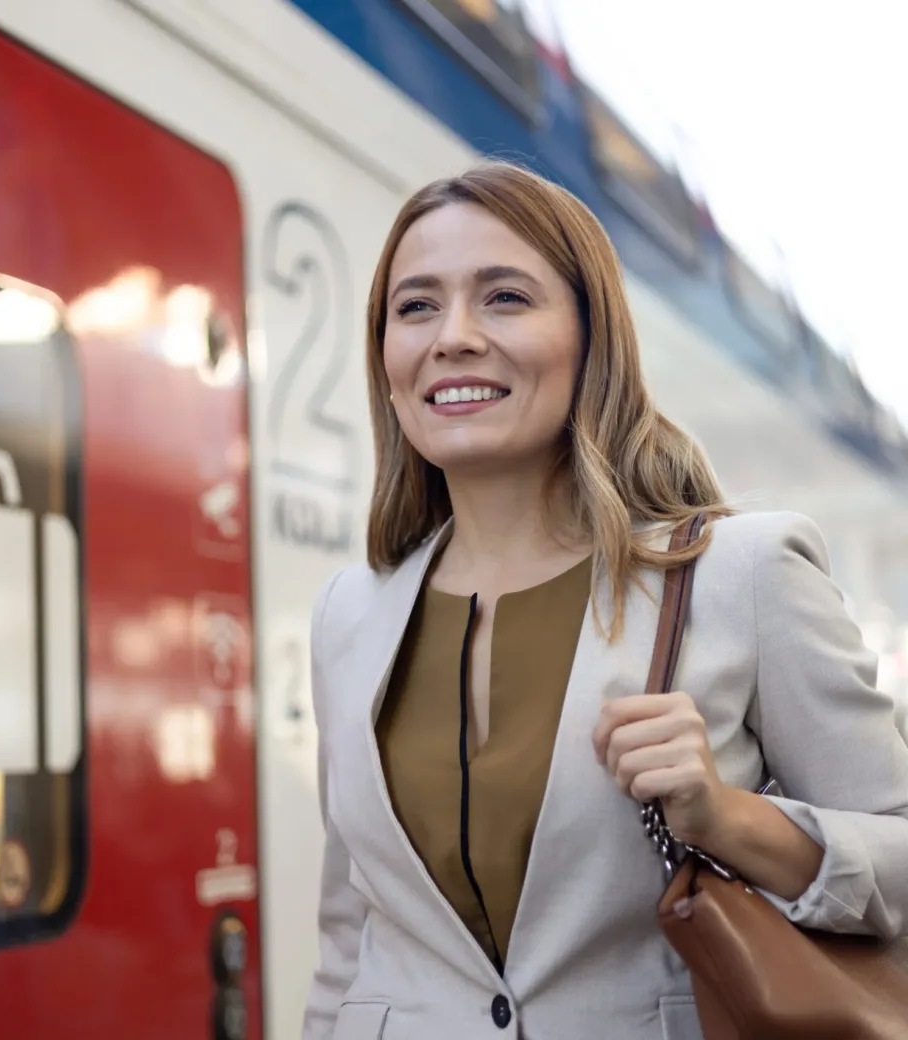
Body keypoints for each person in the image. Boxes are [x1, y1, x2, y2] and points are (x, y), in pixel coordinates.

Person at [301, 161, 908, 1040]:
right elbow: (347, 935)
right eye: (416, 306)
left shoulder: (742, 572)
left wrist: (732, 818)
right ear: (385, 356)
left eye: (505, 297)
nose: (454, 336)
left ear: (592, 338)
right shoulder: (348, 616)